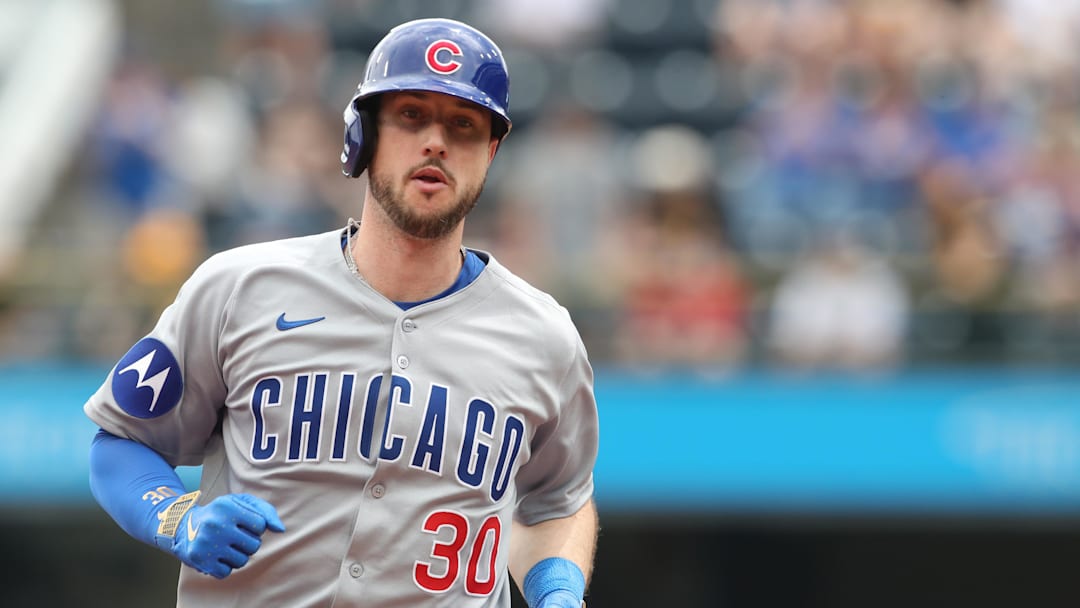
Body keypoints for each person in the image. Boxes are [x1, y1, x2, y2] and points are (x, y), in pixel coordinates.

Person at [83, 18, 599, 608]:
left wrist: (557, 589)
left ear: (491, 151)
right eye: (411, 115)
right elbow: (121, 439)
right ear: (365, 134)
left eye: (463, 125)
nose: (436, 141)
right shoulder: (240, 287)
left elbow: (556, 502)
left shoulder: (544, 336)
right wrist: (176, 516)